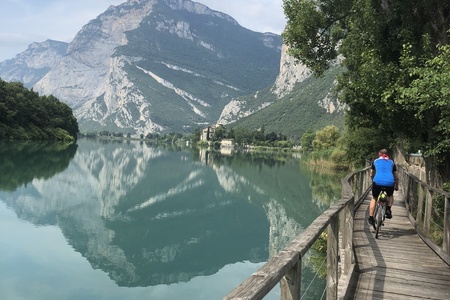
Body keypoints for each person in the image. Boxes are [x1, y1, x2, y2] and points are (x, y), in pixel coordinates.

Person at [368, 149, 399, 226]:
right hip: (389, 182)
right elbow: (396, 176)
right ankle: (388, 209)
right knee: (390, 195)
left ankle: (371, 217)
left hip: (377, 182)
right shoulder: (391, 162)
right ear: (387, 154)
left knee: (374, 198)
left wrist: (373, 180)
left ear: (379, 154)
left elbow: (371, 173)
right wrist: (396, 185)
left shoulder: (375, 161)